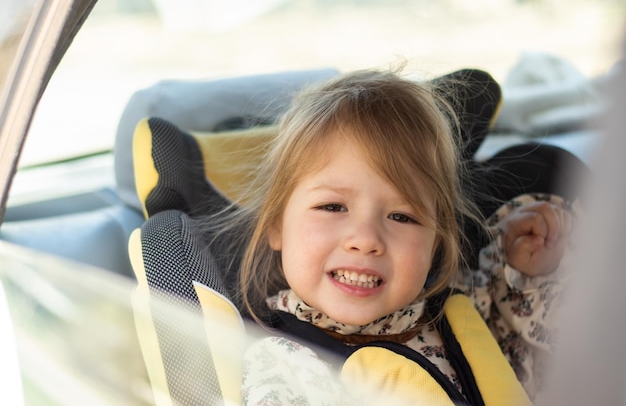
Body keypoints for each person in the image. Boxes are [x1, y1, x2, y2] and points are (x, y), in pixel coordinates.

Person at [213, 68, 578, 405]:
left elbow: (544, 362)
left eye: (402, 216)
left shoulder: (452, 310)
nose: (366, 239)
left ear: (436, 241)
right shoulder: (280, 359)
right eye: (333, 207)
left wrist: (525, 274)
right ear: (276, 223)